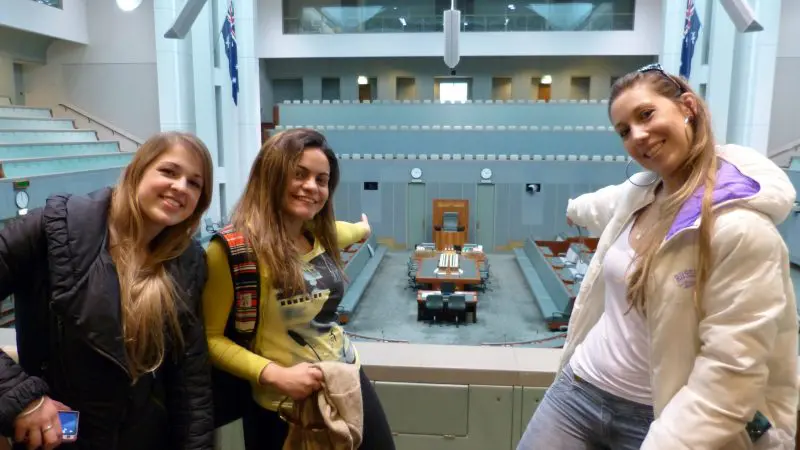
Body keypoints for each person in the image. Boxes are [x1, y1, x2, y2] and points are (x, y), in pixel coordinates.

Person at [518, 63, 798, 449]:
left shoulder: (741, 229)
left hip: (661, 415)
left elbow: (732, 372)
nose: (638, 136)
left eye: (645, 115)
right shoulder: (645, 192)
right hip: (580, 389)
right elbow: (607, 203)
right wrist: (573, 208)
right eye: (624, 131)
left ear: (687, 106)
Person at [0, 131, 216, 450]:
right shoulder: (57, 225)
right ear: (137, 171)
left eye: (194, 183)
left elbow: (191, 380)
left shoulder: (189, 262)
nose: (180, 187)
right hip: (62, 440)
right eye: (169, 172)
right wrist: (21, 397)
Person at [203, 128, 396, 450]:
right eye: (299, 174)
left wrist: (364, 228)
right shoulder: (232, 250)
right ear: (272, 175)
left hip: (346, 376)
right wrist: (275, 375)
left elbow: (348, 231)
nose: (312, 187)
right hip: (282, 400)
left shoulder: (319, 235)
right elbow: (211, 339)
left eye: (322, 180)